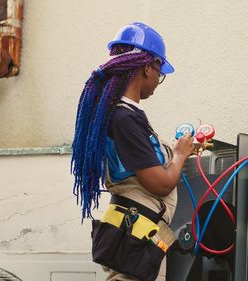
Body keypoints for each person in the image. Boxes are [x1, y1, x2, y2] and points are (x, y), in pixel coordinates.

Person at [71, 22, 194, 281]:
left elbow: (144, 164)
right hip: (138, 236)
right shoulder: (123, 118)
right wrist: (180, 155)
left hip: (146, 232)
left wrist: (176, 154)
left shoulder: (126, 115)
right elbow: (160, 184)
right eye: (159, 72)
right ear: (147, 67)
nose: (158, 82)